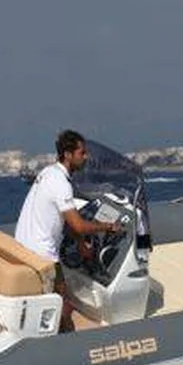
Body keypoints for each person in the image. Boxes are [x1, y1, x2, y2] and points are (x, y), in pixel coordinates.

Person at [15, 130, 122, 332]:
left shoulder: (48, 173)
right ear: (68, 154)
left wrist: (81, 243)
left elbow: (66, 222)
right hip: (42, 255)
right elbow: (78, 225)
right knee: (64, 305)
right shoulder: (60, 183)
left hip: (24, 246)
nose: (86, 157)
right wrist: (108, 226)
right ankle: (70, 345)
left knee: (54, 303)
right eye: (82, 153)